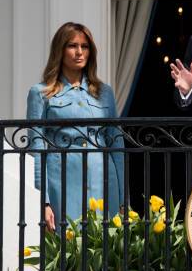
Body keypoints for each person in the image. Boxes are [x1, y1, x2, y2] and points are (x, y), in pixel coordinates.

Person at [27, 22, 124, 231]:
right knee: (66, 251)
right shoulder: (40, 93)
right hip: (61, 181)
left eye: (85, 46)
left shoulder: (104, 92)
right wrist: (42, 201)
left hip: (104, 179)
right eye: (72, 46)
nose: (79, 52)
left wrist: (123, 198)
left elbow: (117, 146)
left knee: (105, 250)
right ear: (59, 50)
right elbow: (36, 149)